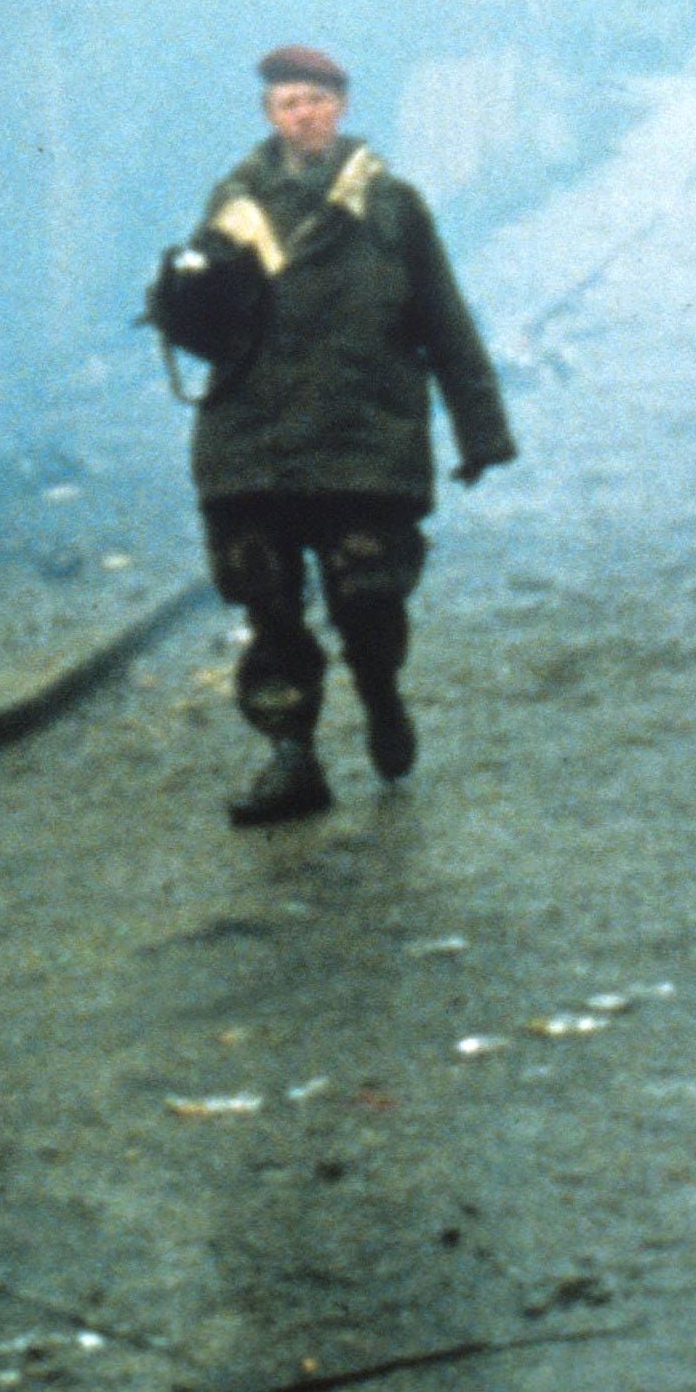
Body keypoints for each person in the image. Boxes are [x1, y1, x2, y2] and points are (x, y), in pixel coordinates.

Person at [186, 44, 514, 827]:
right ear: (269, 117)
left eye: (315, 100)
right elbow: (202, 324)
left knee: (367, 597)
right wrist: (186, 293)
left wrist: (481, 430)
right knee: (266, 605)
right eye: (286, 104)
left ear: (341, 105)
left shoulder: (392, 206)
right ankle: (291, 758)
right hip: (252, 438)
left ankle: (379, 693)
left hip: (361, 434)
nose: (303, 115)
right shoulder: (233, 206)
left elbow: (443, 318)